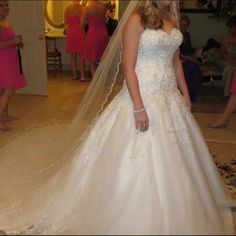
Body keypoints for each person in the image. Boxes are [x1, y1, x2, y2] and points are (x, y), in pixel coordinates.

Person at [0, 1, 234, 234]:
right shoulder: (136, 19)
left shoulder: (172, 15)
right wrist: (139, 107)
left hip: (169, 94)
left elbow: (174, 60)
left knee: (179, 150)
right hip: (142, 92)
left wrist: (184, 91)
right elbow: (128, 67)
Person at [0, 0, 27, 131]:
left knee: (5, 90)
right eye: (1, 5)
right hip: (3, 60)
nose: (5, 7)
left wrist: (17, 42)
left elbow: (7, 40)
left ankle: (5, 115)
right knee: (9, 89)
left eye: (6, 5)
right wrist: (13, 41)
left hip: (10, 58)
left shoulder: (5, 21)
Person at [81, 0, 115, 77]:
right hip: (103, 33)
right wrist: (113, 1)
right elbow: (113, 6)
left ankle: (95, 81)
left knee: (92, 61)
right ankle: (102, 79)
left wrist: (84, 36)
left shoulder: (86, 8)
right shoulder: (104, 5)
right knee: (103, 58)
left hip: (92, 35)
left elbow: (82, 25)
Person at [179, 14, 202, 101]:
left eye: (187, 25)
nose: (185, 27)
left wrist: (197, 50)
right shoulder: (175, 34)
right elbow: (176, 53)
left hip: (187, 57)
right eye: (183, 24)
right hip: (179, 59)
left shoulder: (187, 35)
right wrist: (190, 58)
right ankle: (186, 94)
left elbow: (188, 48)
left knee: (195, 67)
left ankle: (191, 95)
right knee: (191, 68)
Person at [64, 0, 87, 81]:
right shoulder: (79, 7)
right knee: (81, 55)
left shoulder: (67, 7)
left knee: (73, 55)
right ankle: (82, 76)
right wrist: (84, 34)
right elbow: (82, 22)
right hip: (78, 31)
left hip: (70, 31)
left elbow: (65, 22)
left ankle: (74, 75)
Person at [221, 15, 236, 98]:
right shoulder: (224, 38)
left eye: (232, 27)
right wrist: (230, 60)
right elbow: (222, 53)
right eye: (230, 27)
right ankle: (227, 94)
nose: (230, 29)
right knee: (229, 69)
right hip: (227, 58)